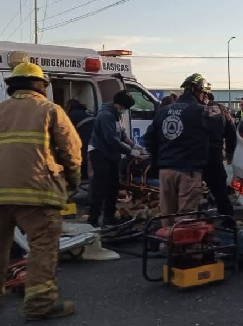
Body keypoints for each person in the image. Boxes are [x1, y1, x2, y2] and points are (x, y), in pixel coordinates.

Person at [0, 62, 81, 321]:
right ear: (41, 85)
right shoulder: (50, 110)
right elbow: (71, 152)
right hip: (36, 191)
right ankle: (40, 304)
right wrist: (72, 183)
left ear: (12, 87)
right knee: (43, 245)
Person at [145, 74, 222, 225]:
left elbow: (149, 139)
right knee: (186, 217)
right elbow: (217, 127)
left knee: (166, 214)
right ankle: (182, 247)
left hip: (166, 171)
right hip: (188, 172)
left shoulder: (164, 111)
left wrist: (160, 158)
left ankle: (166, 244)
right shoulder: (201, 111)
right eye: (204, 93)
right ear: (198, 91)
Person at [87, 91, 138, 228]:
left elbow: (123, 136)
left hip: (111, 155)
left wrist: (137, 147)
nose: (125, 111)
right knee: (100, 187)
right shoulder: (105, 116)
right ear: (118, 104)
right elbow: (111, 140)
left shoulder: (117, 115)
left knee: (113, 186)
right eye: (125, 107)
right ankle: (93, 220)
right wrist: (130, 151)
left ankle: (109, 217)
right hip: (100, 153)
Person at [204, 92, 237, 222]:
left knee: (191, 194)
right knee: (220, 192)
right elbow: (231, 134)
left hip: (194, 157)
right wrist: (229, 154)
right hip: (214, 156)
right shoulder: (222, 111)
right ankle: (228, 223)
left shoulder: (193, 110)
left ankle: (197, 223)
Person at [64, 99, 95, 181]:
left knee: (82, 157)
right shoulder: (87, 111)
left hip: (85, 138)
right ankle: (88, 178)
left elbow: (67, 131)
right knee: (90, 158)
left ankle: (82, 178)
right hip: (95, 139)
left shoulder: (72, 114)